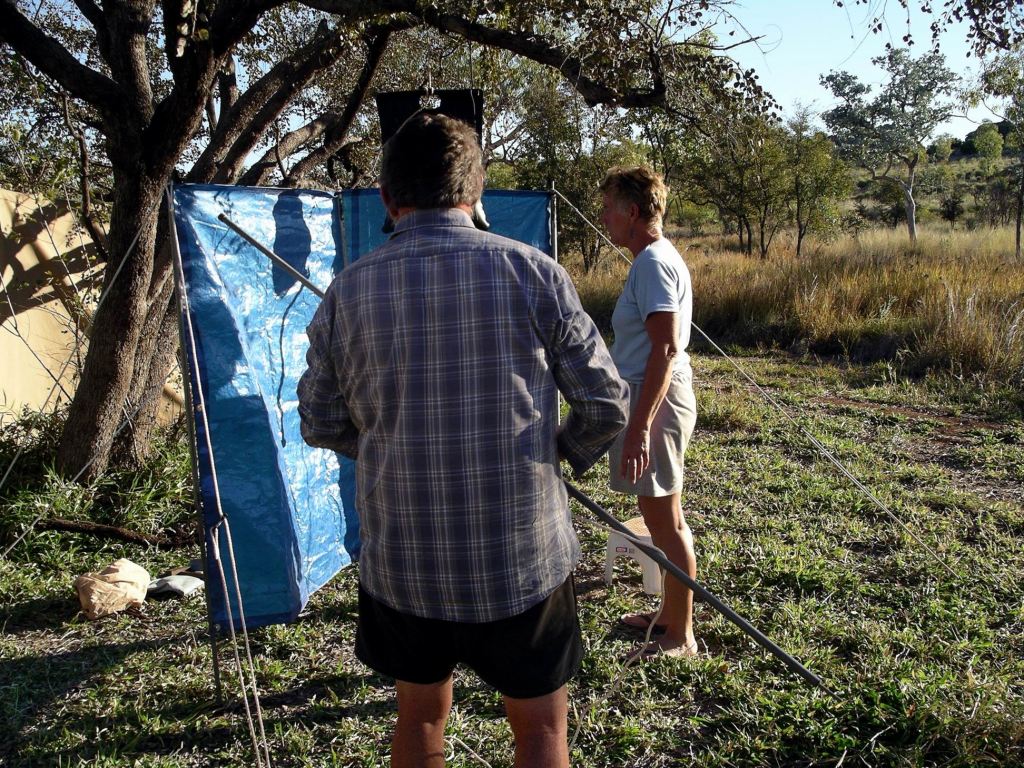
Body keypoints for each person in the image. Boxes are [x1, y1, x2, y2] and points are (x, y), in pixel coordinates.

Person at [297, 113, 628, 768]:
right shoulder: (534, 274)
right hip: (523, 557)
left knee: (420, 716)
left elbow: (320, 421)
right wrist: (553, 456)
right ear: (476, 193)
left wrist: (393, 450)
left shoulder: (346, 292)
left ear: (387, 198)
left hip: (403, 561)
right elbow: (605, 404)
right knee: (541, 731)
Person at [599, 166, 699, 660]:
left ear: (633, 212)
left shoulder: (654, 263)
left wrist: (639, 427)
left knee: (665, 518)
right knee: (657, 514)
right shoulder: (650, 260)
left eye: (608, 209)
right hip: (648, 397)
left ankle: (681, 635)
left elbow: (665, 349)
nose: (603, 218)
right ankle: (669, 614)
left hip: (655, 401)